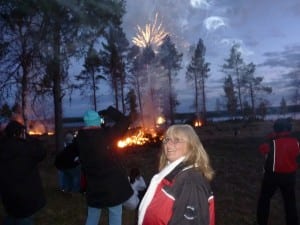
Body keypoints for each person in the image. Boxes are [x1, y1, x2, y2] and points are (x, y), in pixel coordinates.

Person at [138, 124, 215, 225]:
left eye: (177, 140)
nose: (168, 145)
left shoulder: (190, 182)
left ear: (191, 146)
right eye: (167, 139)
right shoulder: (173, 175)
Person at [75, 107, 133, 225]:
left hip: (93, 185)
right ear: (98, 121)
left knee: (93, 214)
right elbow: (125, 121)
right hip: (112, 185)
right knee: (115, 213)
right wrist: (109, 112)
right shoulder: (108, 135)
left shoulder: (80, 139)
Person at [0, 120, 47, 225]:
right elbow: (42, 152)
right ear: (20, 133)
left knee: (12, 216)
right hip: (27, 200)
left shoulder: (2, 147)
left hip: (8, 198)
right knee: (23, 219)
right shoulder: (26, 148)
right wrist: (28, 138)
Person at [256, 118, 300, 225]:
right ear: (289, 129)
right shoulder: (296, 142)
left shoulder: (271, 143)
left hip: (272, 177)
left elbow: (262, 149)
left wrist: (271, 137)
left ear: (276, 129)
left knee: (264, 200)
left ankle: (262, 222)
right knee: (290, 203)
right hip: (290, 177)